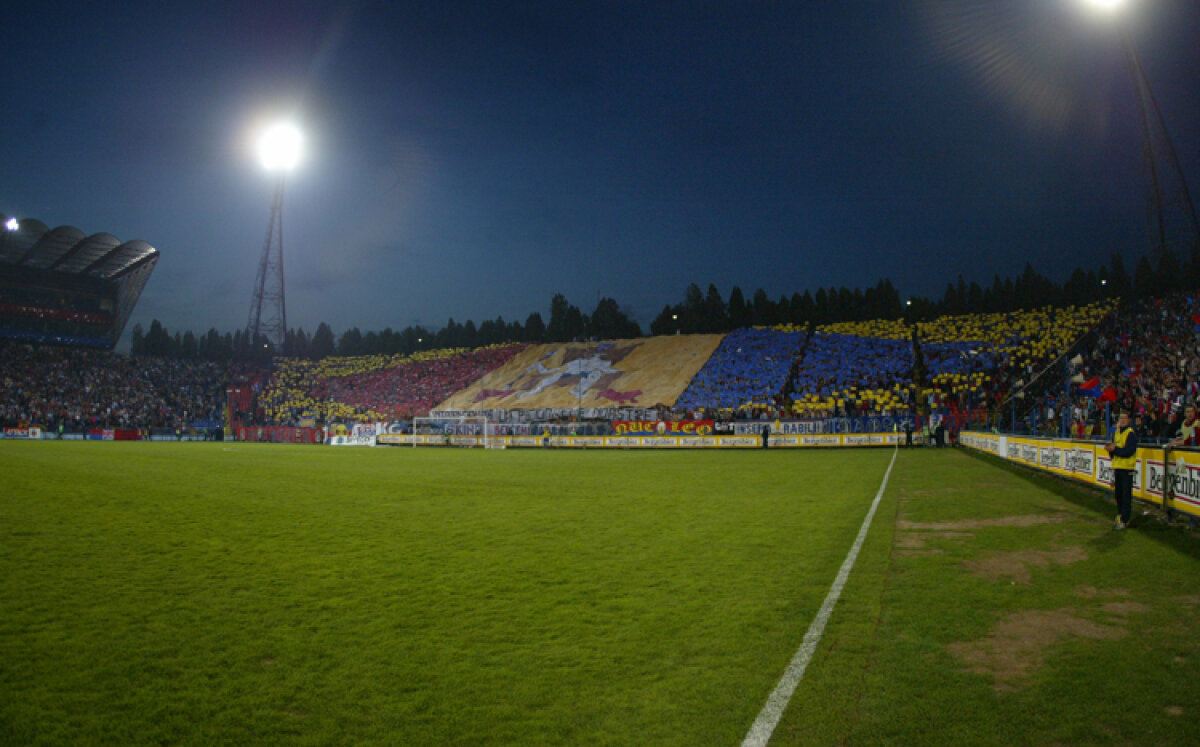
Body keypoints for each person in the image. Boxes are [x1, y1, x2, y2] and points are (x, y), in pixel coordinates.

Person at [1104, 410, 1139, 530]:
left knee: (1125, 495)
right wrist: (1110, 450)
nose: (1122, 420)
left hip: (1127, 468)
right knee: (1118, 495)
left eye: (1125, 418)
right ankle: (1120, 516)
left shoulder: (1131, 434)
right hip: (1118, 467)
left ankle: (1125, 520)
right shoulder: (1117, 433)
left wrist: (1115, 449)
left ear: (1129, 420)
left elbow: (1128, 452)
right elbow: (1116, 452)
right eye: (1121, 418)